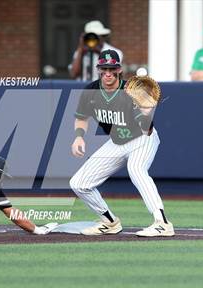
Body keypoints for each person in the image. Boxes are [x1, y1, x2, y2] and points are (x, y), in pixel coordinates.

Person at [69, 49, 174, 237]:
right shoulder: (90, 91)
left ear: (118, 70)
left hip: (142, 139)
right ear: (98, 70)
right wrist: (78, 136)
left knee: (136, 169)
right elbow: (81, 117)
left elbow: (146, 129)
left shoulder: (131, 92)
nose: (108, 73)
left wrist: (147, 113)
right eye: (104, 68)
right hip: (116, 142)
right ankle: (109, 222)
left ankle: (162, 223)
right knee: (79, 182)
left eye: (112, 68)